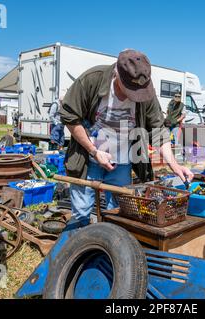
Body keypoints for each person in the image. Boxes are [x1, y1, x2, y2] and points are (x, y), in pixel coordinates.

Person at [60, 50, 194, 226]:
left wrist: (174, 165)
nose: (135, 96)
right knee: (82, 214)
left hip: (122, 162)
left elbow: (158, 130)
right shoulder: (92, 80)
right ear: (117, 74)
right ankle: (81, 247)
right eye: (131, 90)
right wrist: (93, 151)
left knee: (120, 212)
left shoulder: (145, 89)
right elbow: (70, 116)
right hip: (88, 158)